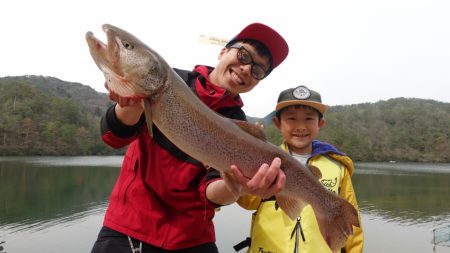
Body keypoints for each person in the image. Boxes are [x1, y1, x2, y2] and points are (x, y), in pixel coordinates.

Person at [90, 23, 289, 253]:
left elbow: (209, 192)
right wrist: (132, 105)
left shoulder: (241, 128)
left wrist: (237, 186)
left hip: (192, 239)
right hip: (128, 230)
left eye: (257, 70)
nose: (246, 69)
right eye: (243, 55)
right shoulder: (169, 82)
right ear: (223, 51)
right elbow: (113, 137)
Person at [236, 85, 364, 253]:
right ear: (277, 123)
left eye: (309, 119)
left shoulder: (338, 167)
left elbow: (352, 226)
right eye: (292, 119)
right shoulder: (265, 159)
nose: (301, 126)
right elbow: (247, 202)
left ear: (320, 123)